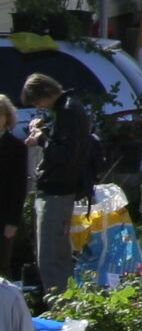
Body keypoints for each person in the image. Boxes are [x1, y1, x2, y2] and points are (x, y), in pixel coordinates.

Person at [22, 75, 95, 298]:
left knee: (50, 256)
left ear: (45, 93)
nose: (38, 107)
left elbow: (63, 154)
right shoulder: (71, 108)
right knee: (59, 254)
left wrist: (41, 138)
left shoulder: (68, 112)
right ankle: (65, 304)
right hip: (62, 191)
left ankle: (59, 308)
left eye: (37, 102)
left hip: (56, 192)